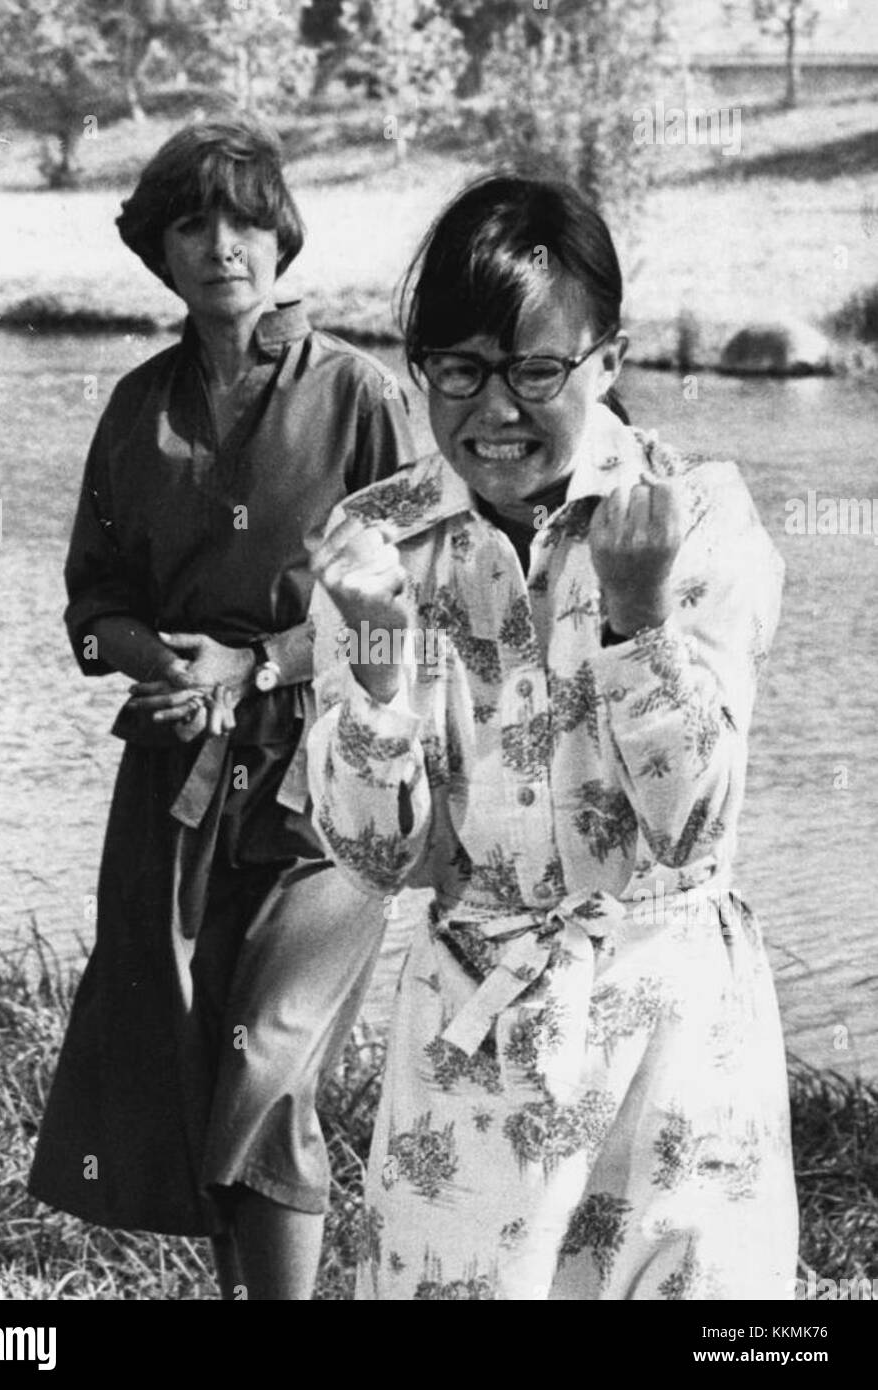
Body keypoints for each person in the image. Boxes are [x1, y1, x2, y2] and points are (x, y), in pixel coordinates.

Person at [306, 174, 799, 1300]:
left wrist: (637, 618)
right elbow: (376, 861)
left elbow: (692, 825)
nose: (496, 412)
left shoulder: (700, 516)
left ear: (608, 361)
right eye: (460, 371)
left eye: (537, 370)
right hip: (475, 1050)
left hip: (675, 1034)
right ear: (417, 364)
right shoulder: (373, 545)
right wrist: (380, 666)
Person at [27, 113, 414, 1301]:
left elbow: (422, 607)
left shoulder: (359, 395)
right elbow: (90, 607)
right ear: (158, 247)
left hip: (328, 788)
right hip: (173, 779)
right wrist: (162, 658)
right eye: (191, 221)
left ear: (281, 229)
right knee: (199, 1073)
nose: (221, 244)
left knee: (273, 1071)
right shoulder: (136, 406)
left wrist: (255, 666)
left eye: (244, 216)